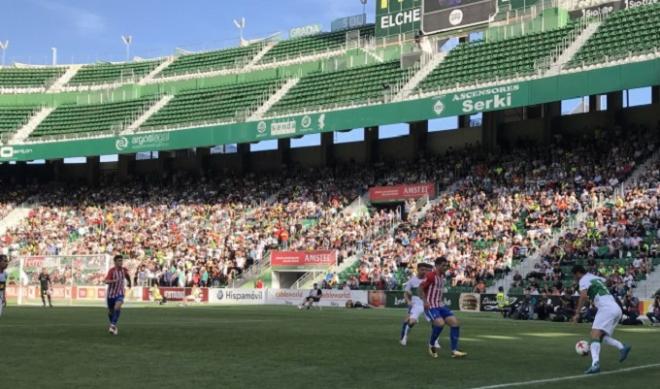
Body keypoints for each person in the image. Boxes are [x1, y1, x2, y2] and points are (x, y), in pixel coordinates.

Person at [571, 265, 631, 374]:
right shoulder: (594, 277)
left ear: (578, 273)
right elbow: (608, 282)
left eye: (574, 276)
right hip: (616, 308)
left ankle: (595, 364)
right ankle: (622, 347)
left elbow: (583, 296)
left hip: (606, 308)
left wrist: (577, 313)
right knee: (601, 336)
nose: (574, 278)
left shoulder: (583, 280)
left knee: (594, 335)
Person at [419, 257, 467, 359]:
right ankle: (431, 345)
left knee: (455, 323)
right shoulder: (431, 276)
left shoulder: (442, 276)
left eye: (446, 265)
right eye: (443, 265)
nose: (445, 267)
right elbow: (420, 288)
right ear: (437, 265)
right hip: (431, 306)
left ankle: (454, 351)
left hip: (440, 305)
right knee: (440, 323)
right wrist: (424, 301)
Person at [400, 263, 436, 346]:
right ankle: (404, 337)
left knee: (435, 322)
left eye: (425, 270)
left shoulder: (429, 279)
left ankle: (434, 342)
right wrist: (408, 301)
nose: (424, 272)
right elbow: (406, 293)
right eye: (422, 270)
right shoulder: (412, 280)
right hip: (416, 304)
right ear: (418, 270)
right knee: (411, 321)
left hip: (427, 304)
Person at [104, 255, 132, 335]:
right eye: (119, 261)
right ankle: (114, 325)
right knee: (110, 312)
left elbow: (127, 275)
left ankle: (112, 325)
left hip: (120, 292)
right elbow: (106, 281)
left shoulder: (124, 270)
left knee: (117, 306)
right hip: (111, 294)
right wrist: (113, 281)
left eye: (121, 260)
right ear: (115, 262)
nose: (121, 262)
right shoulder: (111, 271)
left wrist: (130, 283)